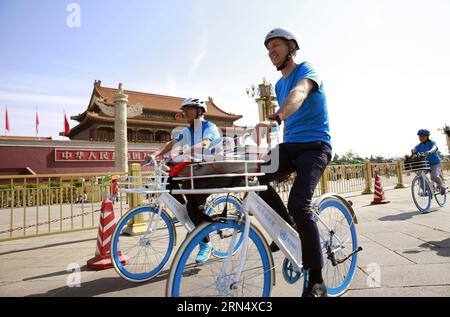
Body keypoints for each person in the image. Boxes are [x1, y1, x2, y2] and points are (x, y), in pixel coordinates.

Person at [256, 28, 332, 297]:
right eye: (268, 49)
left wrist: (274, 117)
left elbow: (299, 94)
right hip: (290, 146)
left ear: (291, 47)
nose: (271, 52)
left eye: (276, 45)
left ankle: (316, 280)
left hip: (315, 146)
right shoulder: (278, 85)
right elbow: (290, 111)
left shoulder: (306, 70)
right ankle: (288, 225)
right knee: (255, 177)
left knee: (300, 202)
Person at [152, 98, 221, 264]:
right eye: (184, 110)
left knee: (193, 206)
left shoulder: (209, 127)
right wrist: (155, 155)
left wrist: (185, 149)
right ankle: (184, 211)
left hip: (210, 172)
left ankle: (206, 244)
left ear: (199, 111)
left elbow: (205, 144)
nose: (185, 113)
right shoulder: (188, 129)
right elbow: (173, 142)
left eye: (188, 109)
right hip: (194, 171)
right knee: (167, 177)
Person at [412, 129, 446, 195]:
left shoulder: (432, 143)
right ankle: (427, 190)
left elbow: (435, 147)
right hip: (425, 164)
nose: (421, 138)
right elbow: (414, 150)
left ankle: (442, 186)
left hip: (435, 163)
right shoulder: (418, 146)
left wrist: (430, 151)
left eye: (423, 136)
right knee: (419, 175)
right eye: (420, 136)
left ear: (427, 136)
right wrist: (413, 152)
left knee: (434, 176)